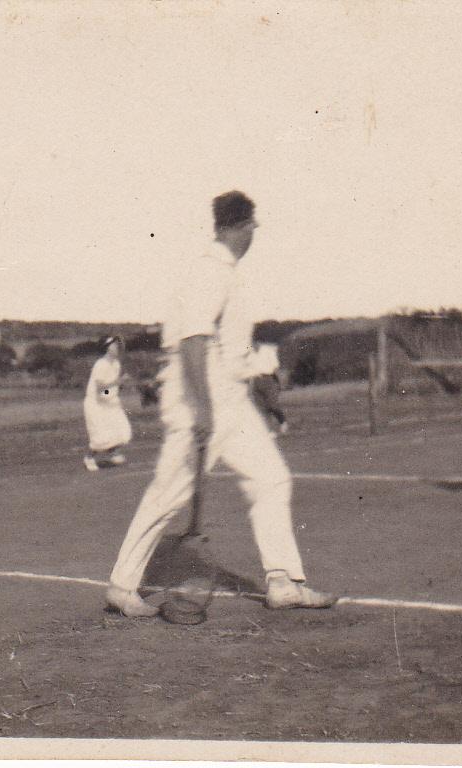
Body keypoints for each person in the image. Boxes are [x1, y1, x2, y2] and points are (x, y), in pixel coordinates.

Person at [105, 190, 333, 617]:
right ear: (243, 227)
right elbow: (193, 342)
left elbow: (226, 351)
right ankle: (122, 585)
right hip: (198, 400)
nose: (253, 236)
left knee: (272, 479)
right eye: (252, 229)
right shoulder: (210, 272)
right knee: (169, 495)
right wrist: (204, 408)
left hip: (229, 401)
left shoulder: (226, 273)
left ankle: (284, 582)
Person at [82, 336, 133, 470]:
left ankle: (113, 453)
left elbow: (111, 388)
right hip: (96, 402)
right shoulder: (101, 364)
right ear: (107, 347)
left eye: (118, 345)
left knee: (120, 428)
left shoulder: (116, 364)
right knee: (100, 435)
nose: (117, 347)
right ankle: (89, 458)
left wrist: (118, 389)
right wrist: (118, 382)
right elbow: (100, 388)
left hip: (108, 400)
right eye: (114, 345)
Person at [249, 343, 289, 434]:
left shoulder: (268, 350)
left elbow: (275, 367)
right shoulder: (249, 352)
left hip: (269, 378)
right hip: (256, 380)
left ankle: (282, 421)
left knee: (272, 405)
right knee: (262, 408)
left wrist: (279, 382)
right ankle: (269, 430)